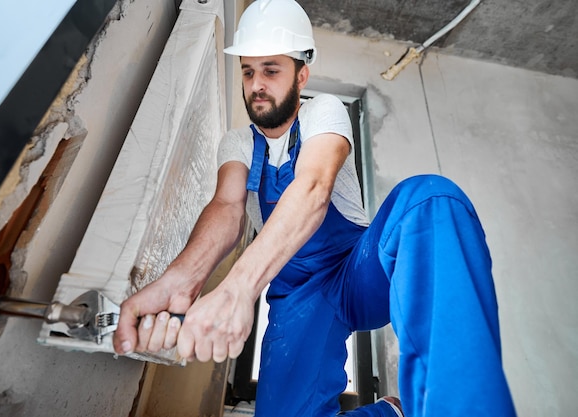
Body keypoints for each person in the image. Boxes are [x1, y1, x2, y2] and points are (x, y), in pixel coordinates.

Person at [114, 1, 517, 416]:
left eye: (271, 70)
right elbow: (228, 207)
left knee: (430, 200)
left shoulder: (323, 112)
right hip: (296, 293)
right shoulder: (236, 144)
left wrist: (238, 289)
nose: (257, 84)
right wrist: (181, 281)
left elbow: (313, 188)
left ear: (300, 74)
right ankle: (392, 413)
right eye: (248, 71)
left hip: (353, 271)